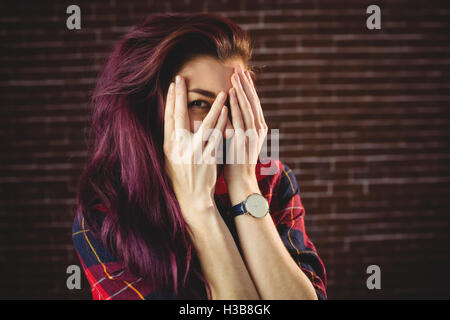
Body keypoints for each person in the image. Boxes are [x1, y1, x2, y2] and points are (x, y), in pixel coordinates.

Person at [72, 12, 327, 300]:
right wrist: (199, 208)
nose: (228, 128)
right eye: (199, 103)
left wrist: (243, 184)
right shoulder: (107, 214)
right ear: (146, 112)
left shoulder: (272, 179)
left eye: (234, 103)